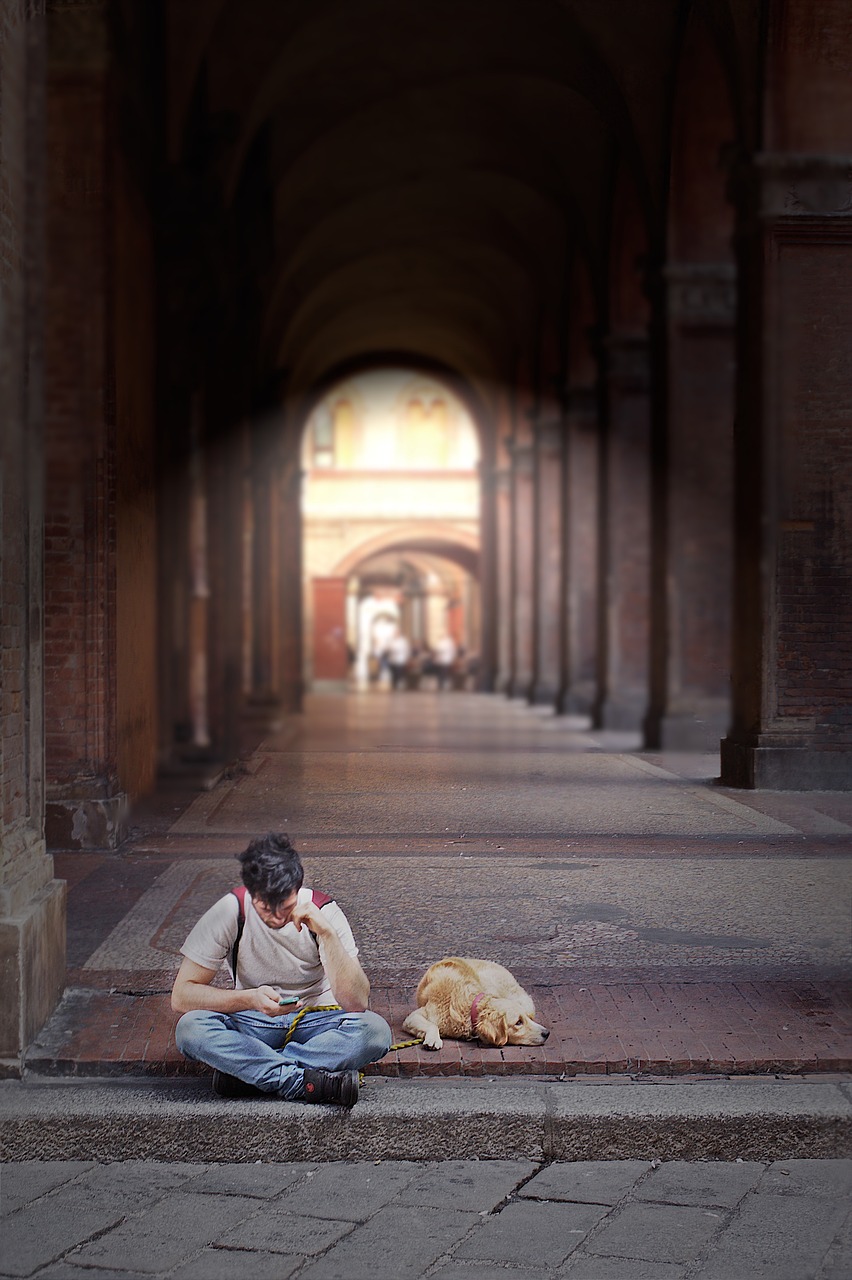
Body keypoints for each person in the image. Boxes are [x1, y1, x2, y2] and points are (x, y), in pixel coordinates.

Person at [172, 832, 391, 1105]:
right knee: (190, 1029)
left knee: (375, 1032)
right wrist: (248, 998)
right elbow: (182, 996)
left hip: (316, 1023)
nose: (277, 918)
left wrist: (326, 934)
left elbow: (357, 1003)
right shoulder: (229, 911)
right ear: (251, 895)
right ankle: (302, 1081)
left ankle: (249, 1073)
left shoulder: (326, 911)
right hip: (253, 1021)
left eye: (285, 907)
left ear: (297, 890)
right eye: (266, 909)